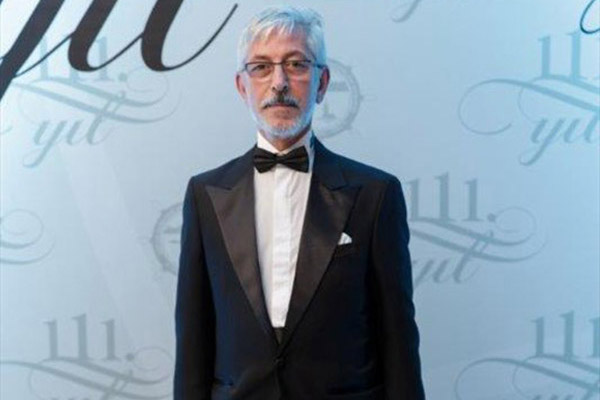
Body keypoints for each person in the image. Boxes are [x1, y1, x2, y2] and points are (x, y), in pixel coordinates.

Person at [174, 6, 425, 400]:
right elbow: (192, 338)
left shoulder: (375, 195)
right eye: (261, 67)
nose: (279, 82)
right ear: (242, 86)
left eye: (296, 64)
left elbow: (398, 339)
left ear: (322, 83)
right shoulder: (205, 195)